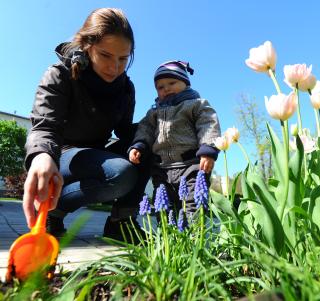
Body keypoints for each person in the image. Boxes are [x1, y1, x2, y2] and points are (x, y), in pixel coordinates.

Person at [23, 8, 149, 242]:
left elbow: (124, 131)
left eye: (123, 58)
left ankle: (121, 222)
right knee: (120, 173)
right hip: (61, 157)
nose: (115, 67)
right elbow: (44, 126)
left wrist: (157, 125)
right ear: (87, 46)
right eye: (105, 55)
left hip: (95, 156)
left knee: (147, 143)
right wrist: (41, 155)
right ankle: (54, 210)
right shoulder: (59, 74)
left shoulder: (126, 88)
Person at [128, 60, 221, 215]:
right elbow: (145, 129)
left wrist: (208, 149)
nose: (166, 89)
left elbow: (208, 123)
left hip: (190, 164)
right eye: (160, 87)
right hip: (162, 168)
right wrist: (139, 145)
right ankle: (168, 237)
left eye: (172, 82)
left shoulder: (196, 104)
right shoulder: (153, 112)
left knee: (193, 202)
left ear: (186, 83)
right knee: (164, 205)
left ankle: (195, 235)